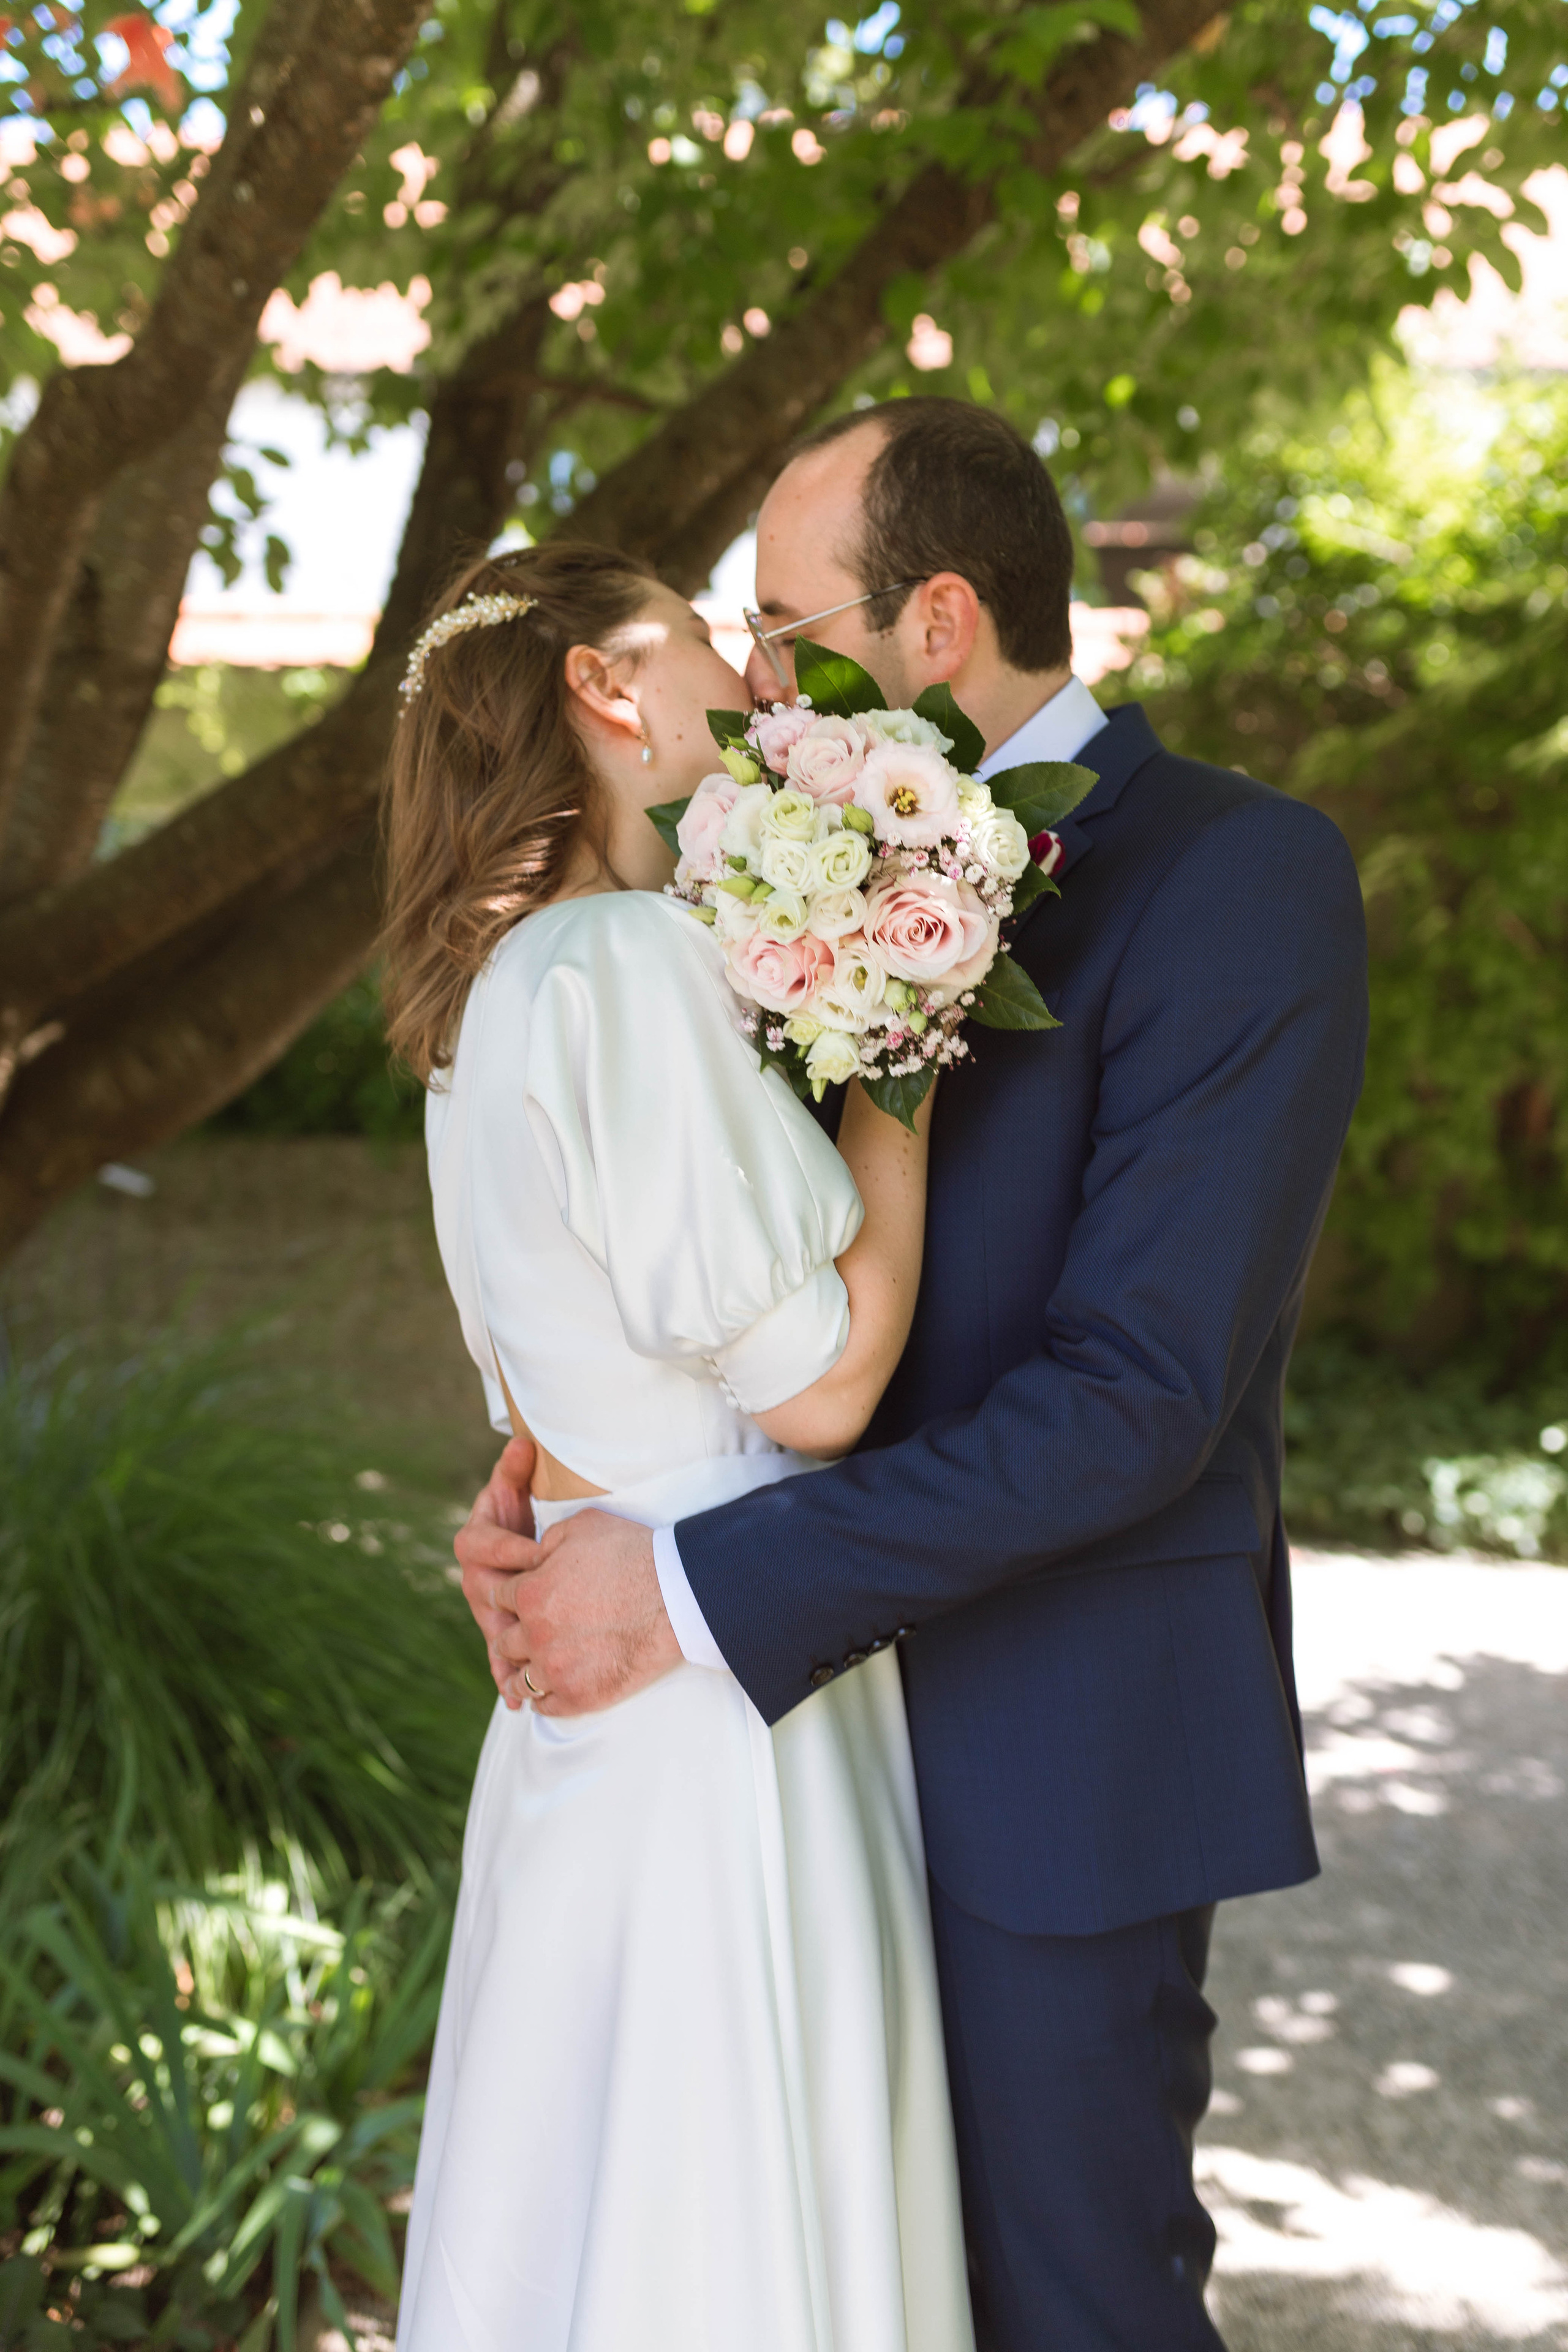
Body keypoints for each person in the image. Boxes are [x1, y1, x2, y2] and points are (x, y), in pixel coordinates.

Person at [458, 399, 1370, 2349]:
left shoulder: (1243, 878)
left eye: (791, 625)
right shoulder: (741, 868)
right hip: (769, 1780)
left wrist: (687, 1591)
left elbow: (1139, 1395)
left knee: (1071, 2308)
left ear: (939, 619)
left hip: (1050, 1756)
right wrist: (558, 1494)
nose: (764, 675)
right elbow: (690, 1255)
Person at [380, 538, 974, 2352]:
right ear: (604, 688)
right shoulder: (619, 960)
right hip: (714, 1696)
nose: (754, 675)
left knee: (591, 2214)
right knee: (723, 2228)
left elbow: (545, 1407)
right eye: (714, 641)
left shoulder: (478, 1002)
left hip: (588, 1685)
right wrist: (903, 1045)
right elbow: (822, 1391)